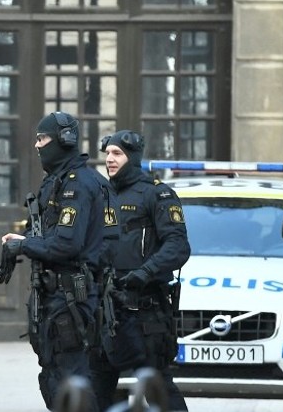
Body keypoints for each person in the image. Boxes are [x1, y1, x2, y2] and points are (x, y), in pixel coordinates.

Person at [0, 111, 104, 411]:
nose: (37, 146)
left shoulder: (78, 184)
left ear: (63, 140)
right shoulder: (54, 183)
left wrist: (23, 246)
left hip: (71, 295)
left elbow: (66, 244)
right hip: (53, 294)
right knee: (55, 379)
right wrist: (24, 241)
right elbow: (43, 232)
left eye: (42, 139)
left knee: (72, 381)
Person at [89, 130, 191, 411]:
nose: (109, 159)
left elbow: (178, 247)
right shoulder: (99, 194)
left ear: (132, 157)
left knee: (157, 387)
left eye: (117, 153)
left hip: (143, 310)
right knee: (97, 387)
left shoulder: (157, 194)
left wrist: (144, 273)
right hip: (104, 309)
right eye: (107, 153)